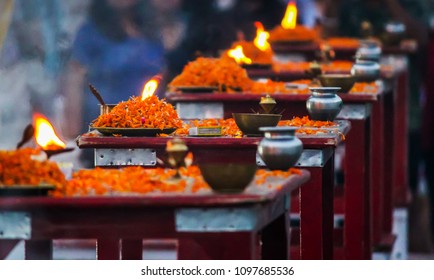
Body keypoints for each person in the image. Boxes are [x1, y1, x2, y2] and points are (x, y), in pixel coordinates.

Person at [63, 0, 165, 141]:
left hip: (149, 128)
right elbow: (75, 78)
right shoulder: (91, 32)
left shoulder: (150, 29)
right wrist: (72, 129)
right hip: (105, 130)